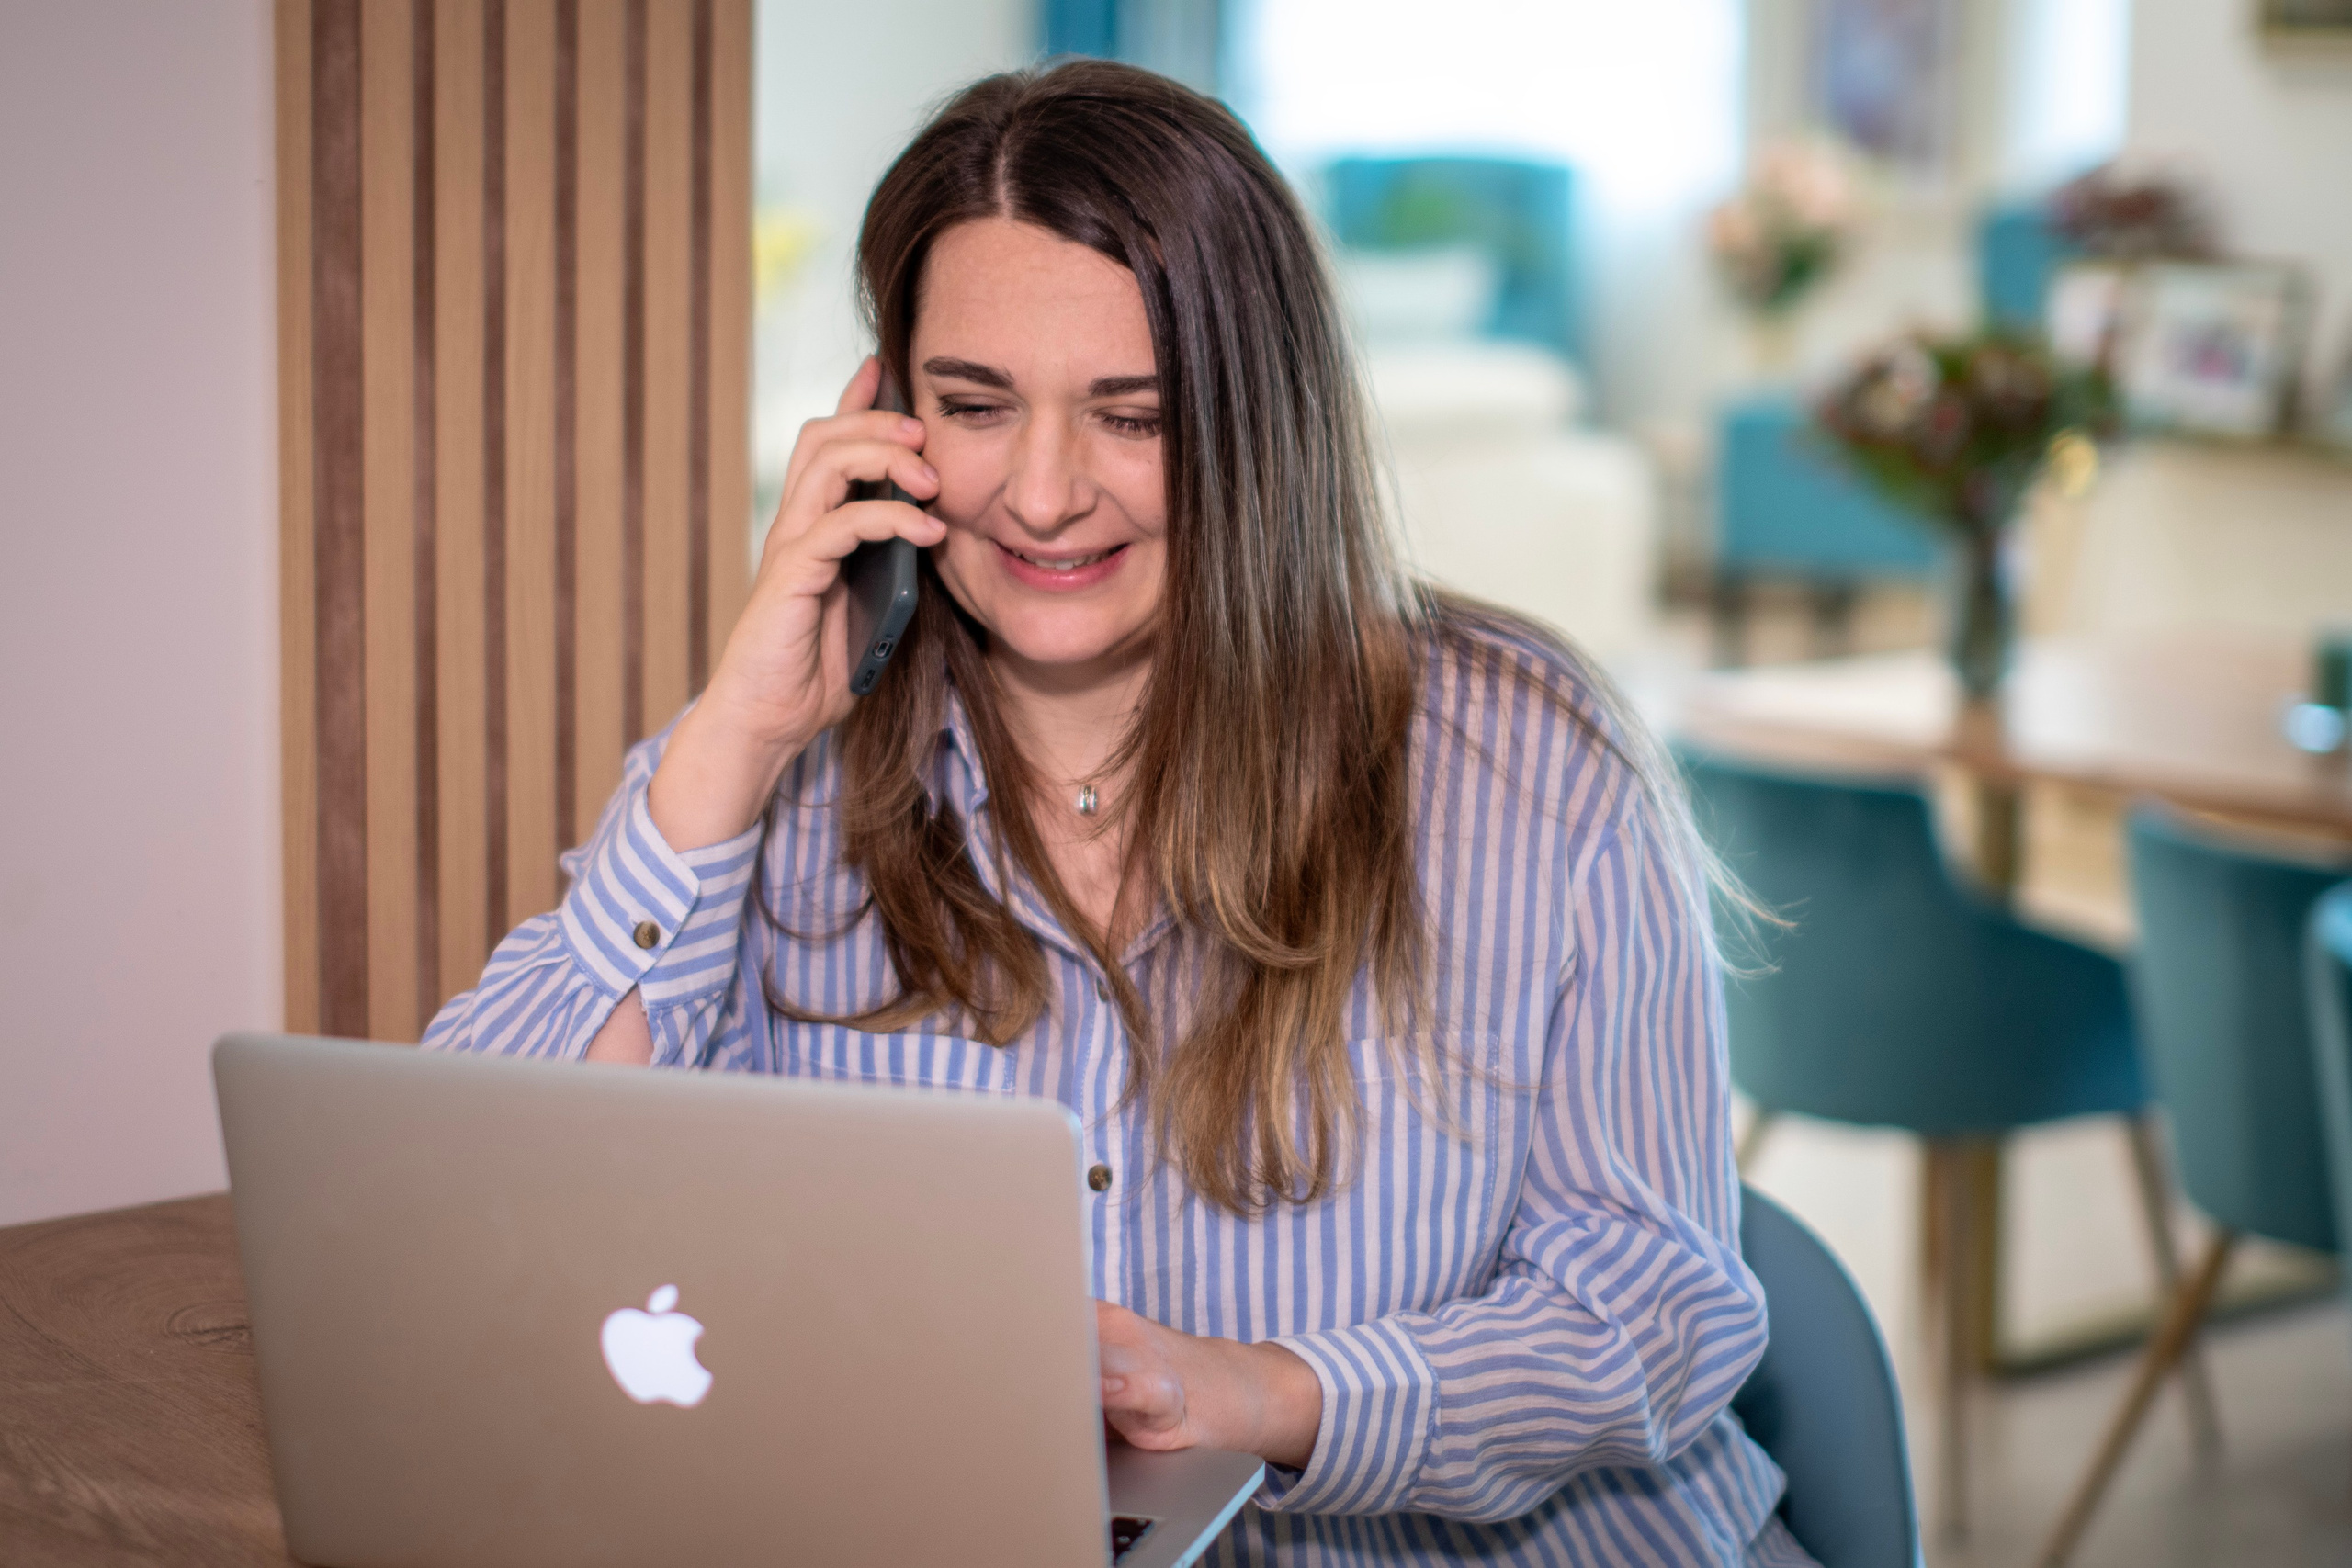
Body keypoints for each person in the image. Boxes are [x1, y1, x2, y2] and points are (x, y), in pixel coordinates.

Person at [425, 59, 1812, 1567]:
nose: (1040, 494)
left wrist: (1273, 1395)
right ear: (886, 418)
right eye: (974, 405)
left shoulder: (1531, 767)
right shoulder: (772, 781)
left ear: (1255, 421)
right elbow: (474, 1232)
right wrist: (730, 742)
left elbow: (1657, 1312)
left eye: (1131, 416)